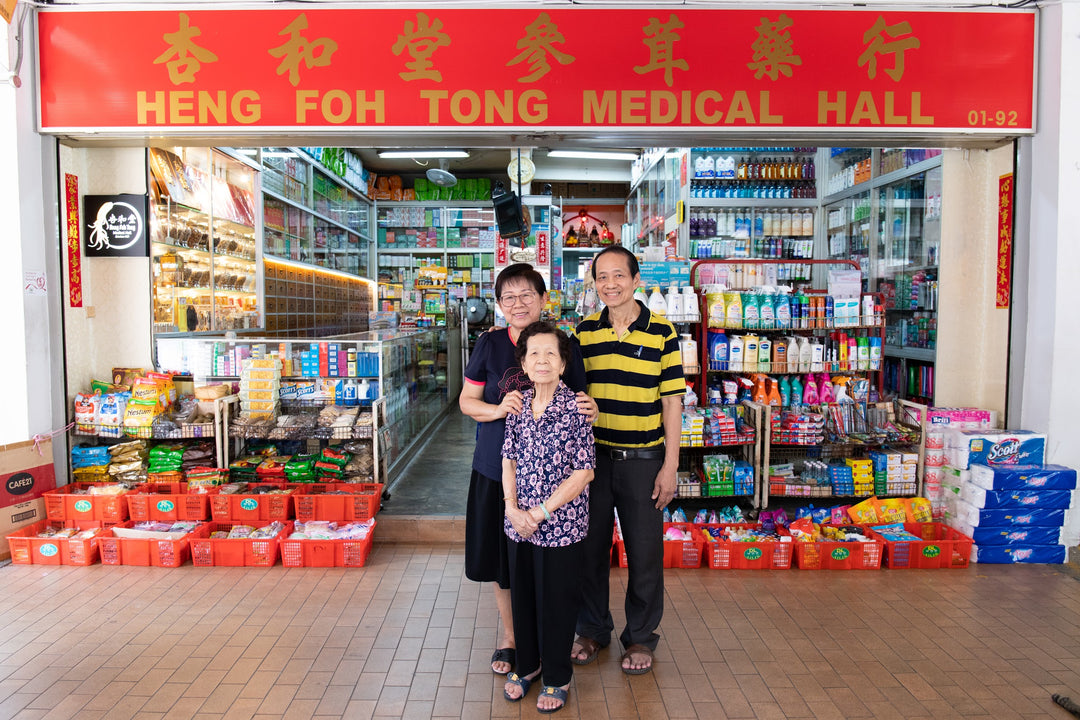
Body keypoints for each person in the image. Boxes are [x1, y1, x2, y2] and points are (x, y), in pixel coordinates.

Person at [458, 263, 597, 676]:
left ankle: (547, 643)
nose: (518, 304)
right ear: (499, 305)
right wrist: (498, 409)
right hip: (496, 469)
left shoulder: (561, 343)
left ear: (541, 299)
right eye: (509, 297)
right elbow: (467, 402)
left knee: (549, 564)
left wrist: (592, 408)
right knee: (505, 563)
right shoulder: (489, 343)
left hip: (552, 480)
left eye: (526, 295)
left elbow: (581, 402)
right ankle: (512, 638)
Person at [570, 245, 685, 676]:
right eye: (602, 277)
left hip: (643, 459)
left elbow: (673, 401)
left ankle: (640, 637)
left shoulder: (662, 332)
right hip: (592, 461)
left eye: (619, 275)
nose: (610, 284)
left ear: (637, 280)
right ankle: (593, 629)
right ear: (594, 283)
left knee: (644, 553)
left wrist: (670, 465)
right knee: (589, 549)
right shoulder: (584, 332)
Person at [500, 321, 595, 714]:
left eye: (550, 354)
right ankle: (529, 664)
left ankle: (557, 676)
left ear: (562, 364)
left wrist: (538, 512)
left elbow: (584, 471)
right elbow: (508, 458)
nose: (542, 360)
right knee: (523, 597)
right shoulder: (517, 403)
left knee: (556, 601)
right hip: (518, 523)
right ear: (523, 362)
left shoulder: (576, 408)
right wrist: (510, 507)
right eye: (533, 353)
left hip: (559, 524)